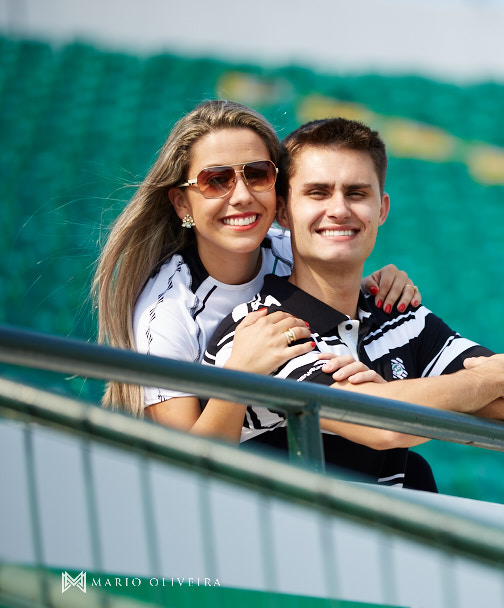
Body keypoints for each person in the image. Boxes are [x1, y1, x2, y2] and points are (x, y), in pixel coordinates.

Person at [205, 117, 504, 490]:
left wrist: (396, 398)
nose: (339, 209)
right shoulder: (258, 328)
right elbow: (380, 426)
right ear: (283, 211)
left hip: (379, 526)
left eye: (356, 193)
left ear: (382, 209)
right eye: (318, 193)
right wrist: (491, 378)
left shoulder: (401, 315)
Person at [92, 100, 421, 438]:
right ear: (181, 203)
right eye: (215, 180)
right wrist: (240, 373)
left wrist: (376, 286)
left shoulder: (293, 248)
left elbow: (340, 298)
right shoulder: (166, 312)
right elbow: (185, 456)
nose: (242, 196)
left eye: (257, 174)